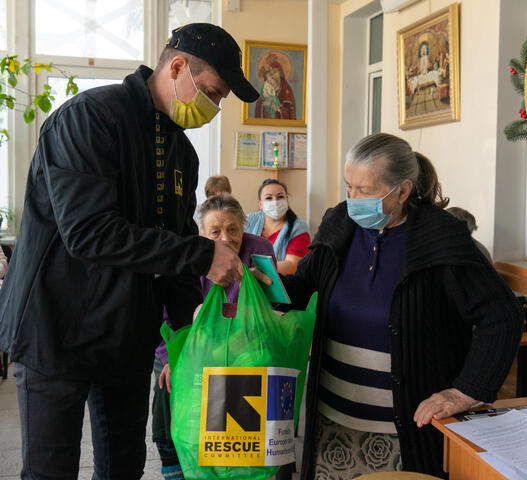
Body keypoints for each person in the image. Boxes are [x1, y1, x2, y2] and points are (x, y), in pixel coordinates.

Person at [0, 23, 260, 479]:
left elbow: (174, 249)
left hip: (126, 336)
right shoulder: (90, 118)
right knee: (50, 469)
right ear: (177, 67)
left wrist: (193, 333)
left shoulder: (182, 152)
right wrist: (202, 255)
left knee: (123, 467)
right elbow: (90, 233)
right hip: (57, 328)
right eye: (214, 94)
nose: (215, 108)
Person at [261, 133, 523, 478]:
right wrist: (261, 283)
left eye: (365, 190)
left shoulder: (442, 241)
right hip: (333, 422)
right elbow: (306, 286)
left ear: (402, 190)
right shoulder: (340, 224)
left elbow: (503, 317)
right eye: (348, 186)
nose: (353, 199)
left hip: (405, 433)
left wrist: (465, 391)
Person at [152, 194, 275, 480]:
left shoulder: (260, 249)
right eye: (215, 231)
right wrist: (174, 359)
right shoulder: (192, 253)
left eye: (233, 229)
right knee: (168, 385)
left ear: (244, 228)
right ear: (201, 234)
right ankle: (175, 465)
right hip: (189, 342)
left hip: (240, 349)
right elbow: (166, 316)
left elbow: (269, 306)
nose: (225, 238)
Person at [246, 179, 310, 275]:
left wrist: (252, 271)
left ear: (287, 201)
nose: (275, 201)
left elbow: (292, 266)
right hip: (249, 283)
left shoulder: (298, 229)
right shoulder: (249, 221)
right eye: (268, 198)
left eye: (280, 197)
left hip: (283, 284)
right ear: (260, 204)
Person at [254, 54, 296, 120]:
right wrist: (265, 104)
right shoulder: (267, 86)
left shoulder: (286, 89)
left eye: (276, 72)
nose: (274, 76)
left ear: (281, 73)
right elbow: (259, 104)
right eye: (272, 74)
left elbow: (290, 110)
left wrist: (278, 108)